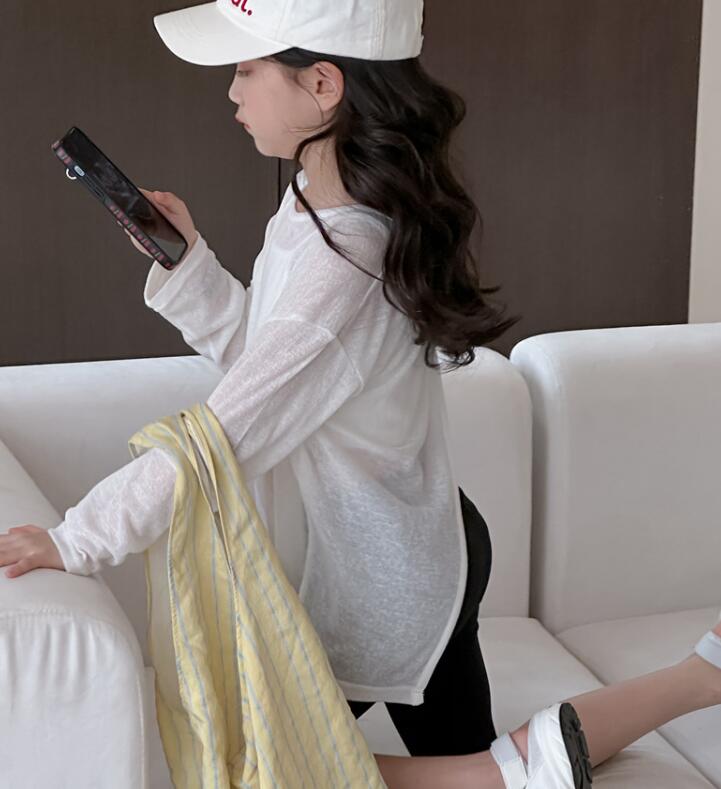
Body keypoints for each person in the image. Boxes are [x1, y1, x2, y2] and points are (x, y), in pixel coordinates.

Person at [0, 2, 717, 786]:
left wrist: (78, 537)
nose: (232, 91)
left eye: (247, 69)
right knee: (461, 767)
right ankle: (699, 675)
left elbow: (227, 431)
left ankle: (690, 681)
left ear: (322, 84)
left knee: (290, 769)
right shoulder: (312, 204)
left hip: (388, 576)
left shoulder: (345, 255)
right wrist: (190, 265)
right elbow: (278, 374)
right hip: (399, 547)